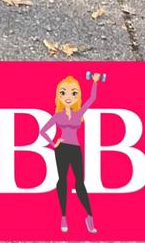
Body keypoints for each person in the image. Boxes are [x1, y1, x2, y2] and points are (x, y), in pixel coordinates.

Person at [44, 73, 100, 235]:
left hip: (75, 149)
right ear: (58, 96)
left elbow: (92, 99)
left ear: (78, 96)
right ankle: (63, 216)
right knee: (62, 181)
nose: (68, 97)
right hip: (61, 149)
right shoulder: (58, 115)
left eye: (73, 93)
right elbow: (43, 130)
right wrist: (54, 142)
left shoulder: (78, 113)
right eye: (63, 93)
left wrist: (95, 82)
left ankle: (89, 216)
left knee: (79, 183)